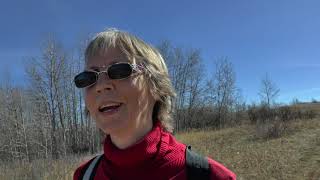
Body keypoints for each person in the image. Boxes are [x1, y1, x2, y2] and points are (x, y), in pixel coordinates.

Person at [73, 28, 236, 180]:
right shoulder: (84, 175)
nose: (101, 85)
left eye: (119, 70)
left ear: (156, 86)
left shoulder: (209, 176)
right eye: (88, 78)